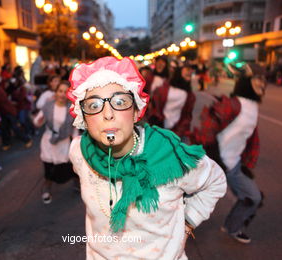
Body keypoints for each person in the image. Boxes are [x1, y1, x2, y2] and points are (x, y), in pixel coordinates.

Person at [67, 56, 227, 259]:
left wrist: (188, 224)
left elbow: (215, 180)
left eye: (120, 102)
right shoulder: (79, 153)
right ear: (84, 119)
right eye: (94, 105)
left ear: (136, 112)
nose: (108, 114)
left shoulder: (170, 158)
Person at [192, 63, 266, 244]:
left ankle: (232, 227)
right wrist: (215, 158)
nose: (262, 84)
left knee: (253, 197)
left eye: (263, 80)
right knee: (189, 201)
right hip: (212, 164)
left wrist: (246, 164)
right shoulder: (234, 104)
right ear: (247, 82)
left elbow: (249, 139)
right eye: (257, 79)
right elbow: (207, 129)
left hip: (232, 166)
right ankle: (169, 232)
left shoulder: (253, 107)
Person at [33, 80, 77, 204]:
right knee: (49, 169)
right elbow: (37, 122)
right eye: (60, 91)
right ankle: (46, 189)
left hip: (64, 143)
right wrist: (39, 120)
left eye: (65, 92)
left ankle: (77, 183)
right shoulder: (48, 106)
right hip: (48, 142)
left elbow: (74, 128)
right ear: (56, 92)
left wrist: (74, 142)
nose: (62, 94)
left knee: (69, 168)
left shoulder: (72, 109)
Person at [148, 64, 195, 140]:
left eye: (189, 75)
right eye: (186, 73)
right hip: (159, 126)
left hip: (176, 131)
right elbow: (155, 105)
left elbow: (187, 115)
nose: (188, 76)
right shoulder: (164, 88)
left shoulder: (190, 96)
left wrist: (180, 131)